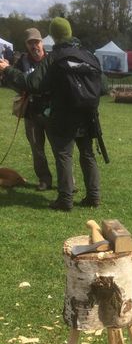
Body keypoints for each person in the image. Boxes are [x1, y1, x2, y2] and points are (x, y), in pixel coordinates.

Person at [0, 17, 103, 211]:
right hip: (88, 114)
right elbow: (103, 87)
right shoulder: (88, 55)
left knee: (63, 155)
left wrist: (7, 71)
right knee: (87, 154)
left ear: (53, 36)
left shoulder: (53, 58)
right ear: (70, 32)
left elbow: (32, 84)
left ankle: (65, 200)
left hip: (64, 116)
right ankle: (94, 196)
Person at [14, 28, 53, 191]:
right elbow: (14, 80)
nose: (34, 46)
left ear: (42, 42)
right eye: (30, 43)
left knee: (61, 149)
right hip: (31, 112)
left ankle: (68, 182)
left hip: (52, 112)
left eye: (36, 42)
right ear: (26, 45)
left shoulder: (52, 60)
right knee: (37, 149)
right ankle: (44, 179)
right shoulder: (21, 62)